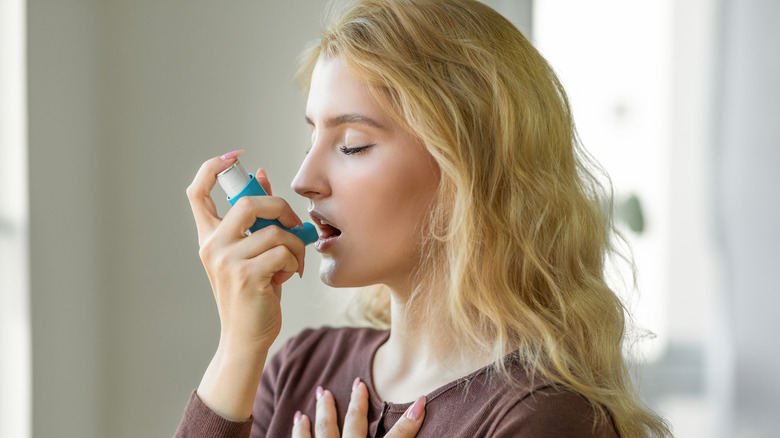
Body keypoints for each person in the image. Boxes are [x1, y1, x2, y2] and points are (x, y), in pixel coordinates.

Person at [176, 0, 671, 437]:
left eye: (352, 145)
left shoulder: (546, 418)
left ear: (467, 168)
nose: (304, 178)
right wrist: (239, 347)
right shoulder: (298, 368)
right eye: (312, 139)